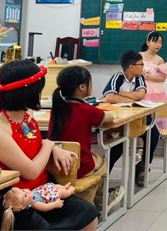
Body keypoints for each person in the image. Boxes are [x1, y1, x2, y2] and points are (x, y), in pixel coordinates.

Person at [0, 60, 98, 230]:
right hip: (16, 201)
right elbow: (31, 172)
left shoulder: (26, 117)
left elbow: (31, 147)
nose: (40, 94)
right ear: (27, 92)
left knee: (88, 215)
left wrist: (52, 147)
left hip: (41, 191)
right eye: (38, 89)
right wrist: (49, 144)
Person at [48, 66, 123, 212]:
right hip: (79, 165)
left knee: (93, 158)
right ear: (82, 87)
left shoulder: (57, 108)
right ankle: (102, 201)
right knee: (103, 163)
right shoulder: (87, 110)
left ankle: (96, 200)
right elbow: (109, 117)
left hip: (55, 164)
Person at [102, 50, 160, 187]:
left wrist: (120, 94)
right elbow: (110, 98)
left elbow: (140, 96)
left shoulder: (140, 78)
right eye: (141, 64)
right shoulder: (117, 77)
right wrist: (130, 96)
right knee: (118, 145)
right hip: (119, 118)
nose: (143, 67)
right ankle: (102, 177)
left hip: (137, 115)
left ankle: (143, 165)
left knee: (153, 134)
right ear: (131, 67)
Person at [2, 183, 75, 230]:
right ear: (22, 206)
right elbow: (46, 207)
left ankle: (64, 187)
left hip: (47, 190)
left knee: (56, 186)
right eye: (25, 196)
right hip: (49, 196)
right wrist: (56, 204)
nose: (27, 191)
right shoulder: (34, 203)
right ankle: (69, 191)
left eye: (22, 190)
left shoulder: (30, 194)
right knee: (61, 193)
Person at [139, 31, 167, 129]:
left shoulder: (159, 59)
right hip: (140, 88)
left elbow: (162, 78)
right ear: (148, 43)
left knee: (155, 118)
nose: (158, 45)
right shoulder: (139, 56)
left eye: (160, 42)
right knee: (141, 118)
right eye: (155, 42)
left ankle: (154, 137)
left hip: (155, 91)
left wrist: (149, 77)